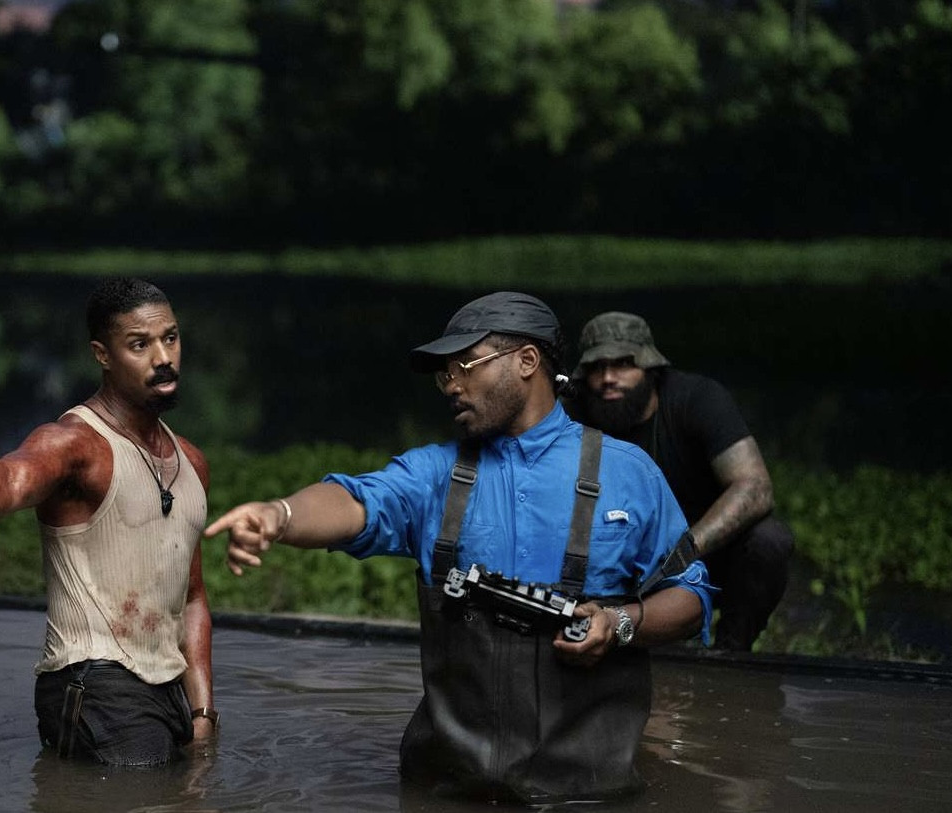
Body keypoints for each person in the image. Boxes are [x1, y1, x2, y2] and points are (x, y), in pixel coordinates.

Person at [205, 291, 715, 805]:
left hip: (588, 794)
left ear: (527, 361)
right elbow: (356, 501)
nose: (451, 385)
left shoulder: (628, 474)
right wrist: (280, 514)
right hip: (445, 792)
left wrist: (620, 623)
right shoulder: (435, 475)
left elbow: (691, 599)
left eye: (465, 366)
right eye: (443, 374)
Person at [0, 277, 215, 767]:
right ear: (103, 354)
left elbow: (192, 598)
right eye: (139, 345)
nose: (163, 358)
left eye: (170, 337)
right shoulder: (75, 443)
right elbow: (11, 477)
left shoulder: (191, 461)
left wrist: (203, 711)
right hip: (94, 682)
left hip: (168, 691)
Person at [567, 311, 794, 651]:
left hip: (701, 551)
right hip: (616, 557)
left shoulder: (696, 398)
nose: (609, 378)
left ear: (650, 368)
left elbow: (755, 487)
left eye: (623, 364)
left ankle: (731, 653)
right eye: (597, 367)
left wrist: (684, 550)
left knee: (768, 541)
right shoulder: (574, 411)